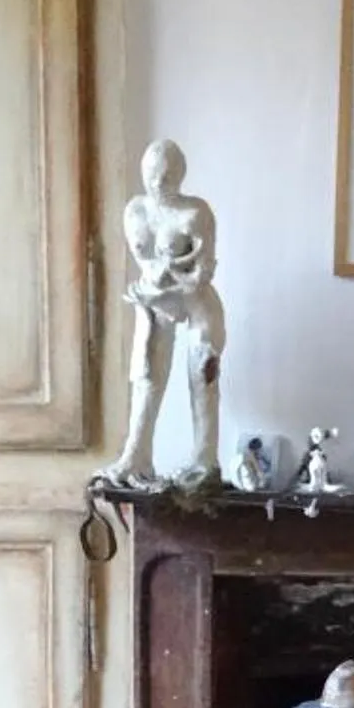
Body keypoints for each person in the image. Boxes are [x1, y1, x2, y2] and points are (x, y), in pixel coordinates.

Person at [109, 140, 224, 485]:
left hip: (196, 303)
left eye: (167, 175)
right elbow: (143, 263)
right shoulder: (135, 211)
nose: (158, 182)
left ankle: (204, 460)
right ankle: (136, 454)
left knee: (202, 374)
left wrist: (171, 274)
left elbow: (203, 273)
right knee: (147, 377)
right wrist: (154, 279)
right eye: (152, 174)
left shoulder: (195, 213)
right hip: (155, 302)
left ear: (180, 175)